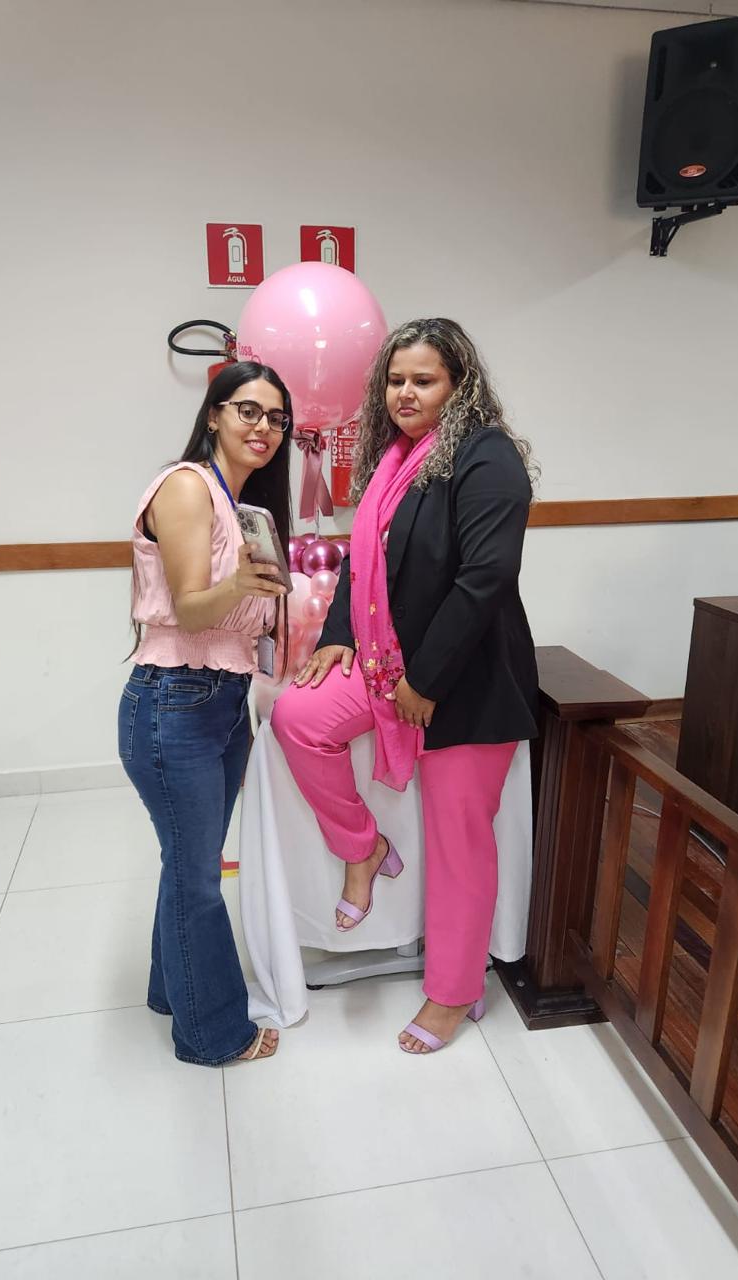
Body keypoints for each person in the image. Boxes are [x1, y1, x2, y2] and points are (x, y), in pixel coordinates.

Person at [271, 318, 538, 1053]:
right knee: (298, 717)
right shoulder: (394, 459)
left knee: (459, 844)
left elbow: (485, 578)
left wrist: (426, 680)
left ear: (459, 385)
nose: (405, 393)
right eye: (395, 380)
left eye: (424, 379)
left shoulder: (485, 455)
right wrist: (336, 635)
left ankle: (454, 991)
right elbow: (365, 561)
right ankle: (363, 847)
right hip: (388, 665)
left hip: (467, 679)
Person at [120, 362, 292, 1066]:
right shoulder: (188, 485)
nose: (264, 428)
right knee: (197, 877)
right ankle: (212, 1034)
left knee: (187, 864)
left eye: (276, 418)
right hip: (175, 701)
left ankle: (173, 992)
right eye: (248, 410)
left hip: (219, 699)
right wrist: (243, 583)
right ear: (215, 413)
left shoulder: (239, 502)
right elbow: (191, 610)